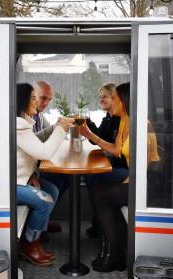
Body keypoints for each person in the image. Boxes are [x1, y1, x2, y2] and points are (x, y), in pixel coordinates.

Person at [80, 82, 160, 272]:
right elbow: (117, 151)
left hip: (148, 182)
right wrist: (90, 133)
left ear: (125, 100)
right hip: (135, 177)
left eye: (114, 98)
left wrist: (129, 180)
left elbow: (147, 162)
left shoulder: (142, 124)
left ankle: (114, 254)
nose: (112, 102)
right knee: (97, 189)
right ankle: (109, 242)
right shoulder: (125, 119)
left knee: (101, 196)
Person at [16, 83, 74, 266]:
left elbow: (34, 145)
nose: (36, 102)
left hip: (21, 178)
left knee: (53, 190)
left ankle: (38, 232)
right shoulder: (17, 125)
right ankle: (29, 244)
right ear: (23, 100)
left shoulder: (22, 122)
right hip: (6, 184)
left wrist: (32, 174)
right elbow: (43, 153)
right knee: (45, 200)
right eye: (33, 98)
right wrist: (61, 129)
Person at [83, 82, 124, 238]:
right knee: (91, 177)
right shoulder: (108, 118)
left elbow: (114, 149)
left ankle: (100, 224)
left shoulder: (121, 121)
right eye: (100, 97)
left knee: (93, 177)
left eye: (105, 97)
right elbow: (98, 139)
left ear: (116, 98)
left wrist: (90, 133)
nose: (101, 100)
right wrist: (90, 124)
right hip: (112, 163)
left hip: (123, 168)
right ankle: (99, 223)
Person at [33, 80, 69, 233]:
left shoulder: (39, 116)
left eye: (49, 99)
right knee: (52, 188)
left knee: (64, 179)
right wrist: (57, 128)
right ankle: (36, 233)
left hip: (34, 166)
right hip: (27, 171)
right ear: (32, 96)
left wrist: (58, 127)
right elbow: (34, 141)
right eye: (43, 98)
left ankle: (45, 220)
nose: (47, 102)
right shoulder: (22, 118)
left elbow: (48, 131)